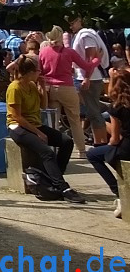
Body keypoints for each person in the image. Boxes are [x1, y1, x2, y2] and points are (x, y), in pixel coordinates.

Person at [6, 55, 86, 203]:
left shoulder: (31, 85)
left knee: (67, 142)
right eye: (37, 71)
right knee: (46, 151)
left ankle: (55, 178)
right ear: (29, 72)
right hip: (18, 126)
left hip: (35, 124)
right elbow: (17, 116)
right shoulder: (14, 88)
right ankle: (63, 187)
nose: (40, 74)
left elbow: (43, 106)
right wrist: (38, 132)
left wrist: (42, 87)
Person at [38, 24, 99, 159]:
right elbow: (86, 66)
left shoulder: (43, 52)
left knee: (54, 122)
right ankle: (81, 151)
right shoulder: (69, 52)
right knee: (75, 120)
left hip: (50, 88)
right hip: (66, 87)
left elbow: (40, 71)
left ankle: (54, 149)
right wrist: (97, 59)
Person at [85, 68, 130, 218]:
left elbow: (115, 139)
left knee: (93, 154)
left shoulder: (116, 107)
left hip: (127, 148)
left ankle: (118, 192)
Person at [70, 16, 110, 150]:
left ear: (79, 20)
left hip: (90, 78)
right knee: (92, 110)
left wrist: (87, 77)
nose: (70, 26)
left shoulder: (86, 35)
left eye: (72, 22)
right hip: (86, 77)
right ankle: (99, 141)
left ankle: (101, 143)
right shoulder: (82, 35)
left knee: (93, 112)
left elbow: (91, 57)